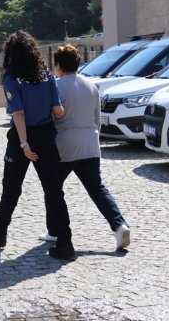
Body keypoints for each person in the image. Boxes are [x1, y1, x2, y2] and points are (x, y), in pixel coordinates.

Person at [0, 30, 75, 260]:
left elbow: (18, 113)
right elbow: (58, 111)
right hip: (46, 135)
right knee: (54, 191)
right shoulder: (46, 75)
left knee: (11, 187)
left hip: (23, 138)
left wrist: (24, 144)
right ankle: (66, 242)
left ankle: (0, 231)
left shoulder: (11, 78)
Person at [40, 44, 130, 250]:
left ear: (59, 65)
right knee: (97, 189)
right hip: (90, 143)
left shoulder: (56, 86)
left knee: (52, 188)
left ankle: (54, 231)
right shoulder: (91, 86)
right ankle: (119, 225)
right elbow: (97, 120)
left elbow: (52, 118)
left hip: (65, 146)